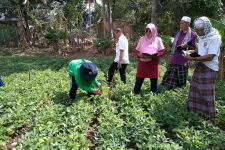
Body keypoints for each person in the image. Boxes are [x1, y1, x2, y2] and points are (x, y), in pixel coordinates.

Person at [182, 16, 221, 123]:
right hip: (200, 66)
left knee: (207, 92)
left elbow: (210, 56)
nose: (199, 32)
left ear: (207, 27)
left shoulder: (215, 38)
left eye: (201, 30)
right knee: (196, 89)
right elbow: (199, 50)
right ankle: (196, 110)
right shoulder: (202, 37)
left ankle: (212, 117)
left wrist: (192, 58)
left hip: (209, 68)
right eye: (197, 30)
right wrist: (190, 53)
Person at [161, 16, 197, 89]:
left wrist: (184, 46)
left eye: (182, 23)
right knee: (170, 78)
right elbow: (174, 45)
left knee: (181, 80)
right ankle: (168, 91)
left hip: (183, 59)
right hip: (174, 58)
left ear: (187, 24)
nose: (180, 24)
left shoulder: (192, 35)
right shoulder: (178, 33)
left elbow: (194, 47)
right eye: (180, 23)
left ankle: (180, 93)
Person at [133, 23, 165, 94]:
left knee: (154, 81)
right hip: (142, 63)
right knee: (139, 80)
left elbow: (162, 51)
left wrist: (155, 56)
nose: (148, 33)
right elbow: (136, 50)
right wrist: (140, 55)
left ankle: (153, 97)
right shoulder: (142, 39)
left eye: (149, 31)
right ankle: (135, 94)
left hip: (153, 64)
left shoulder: (158, 40)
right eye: (146, 31)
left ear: (153, 31)